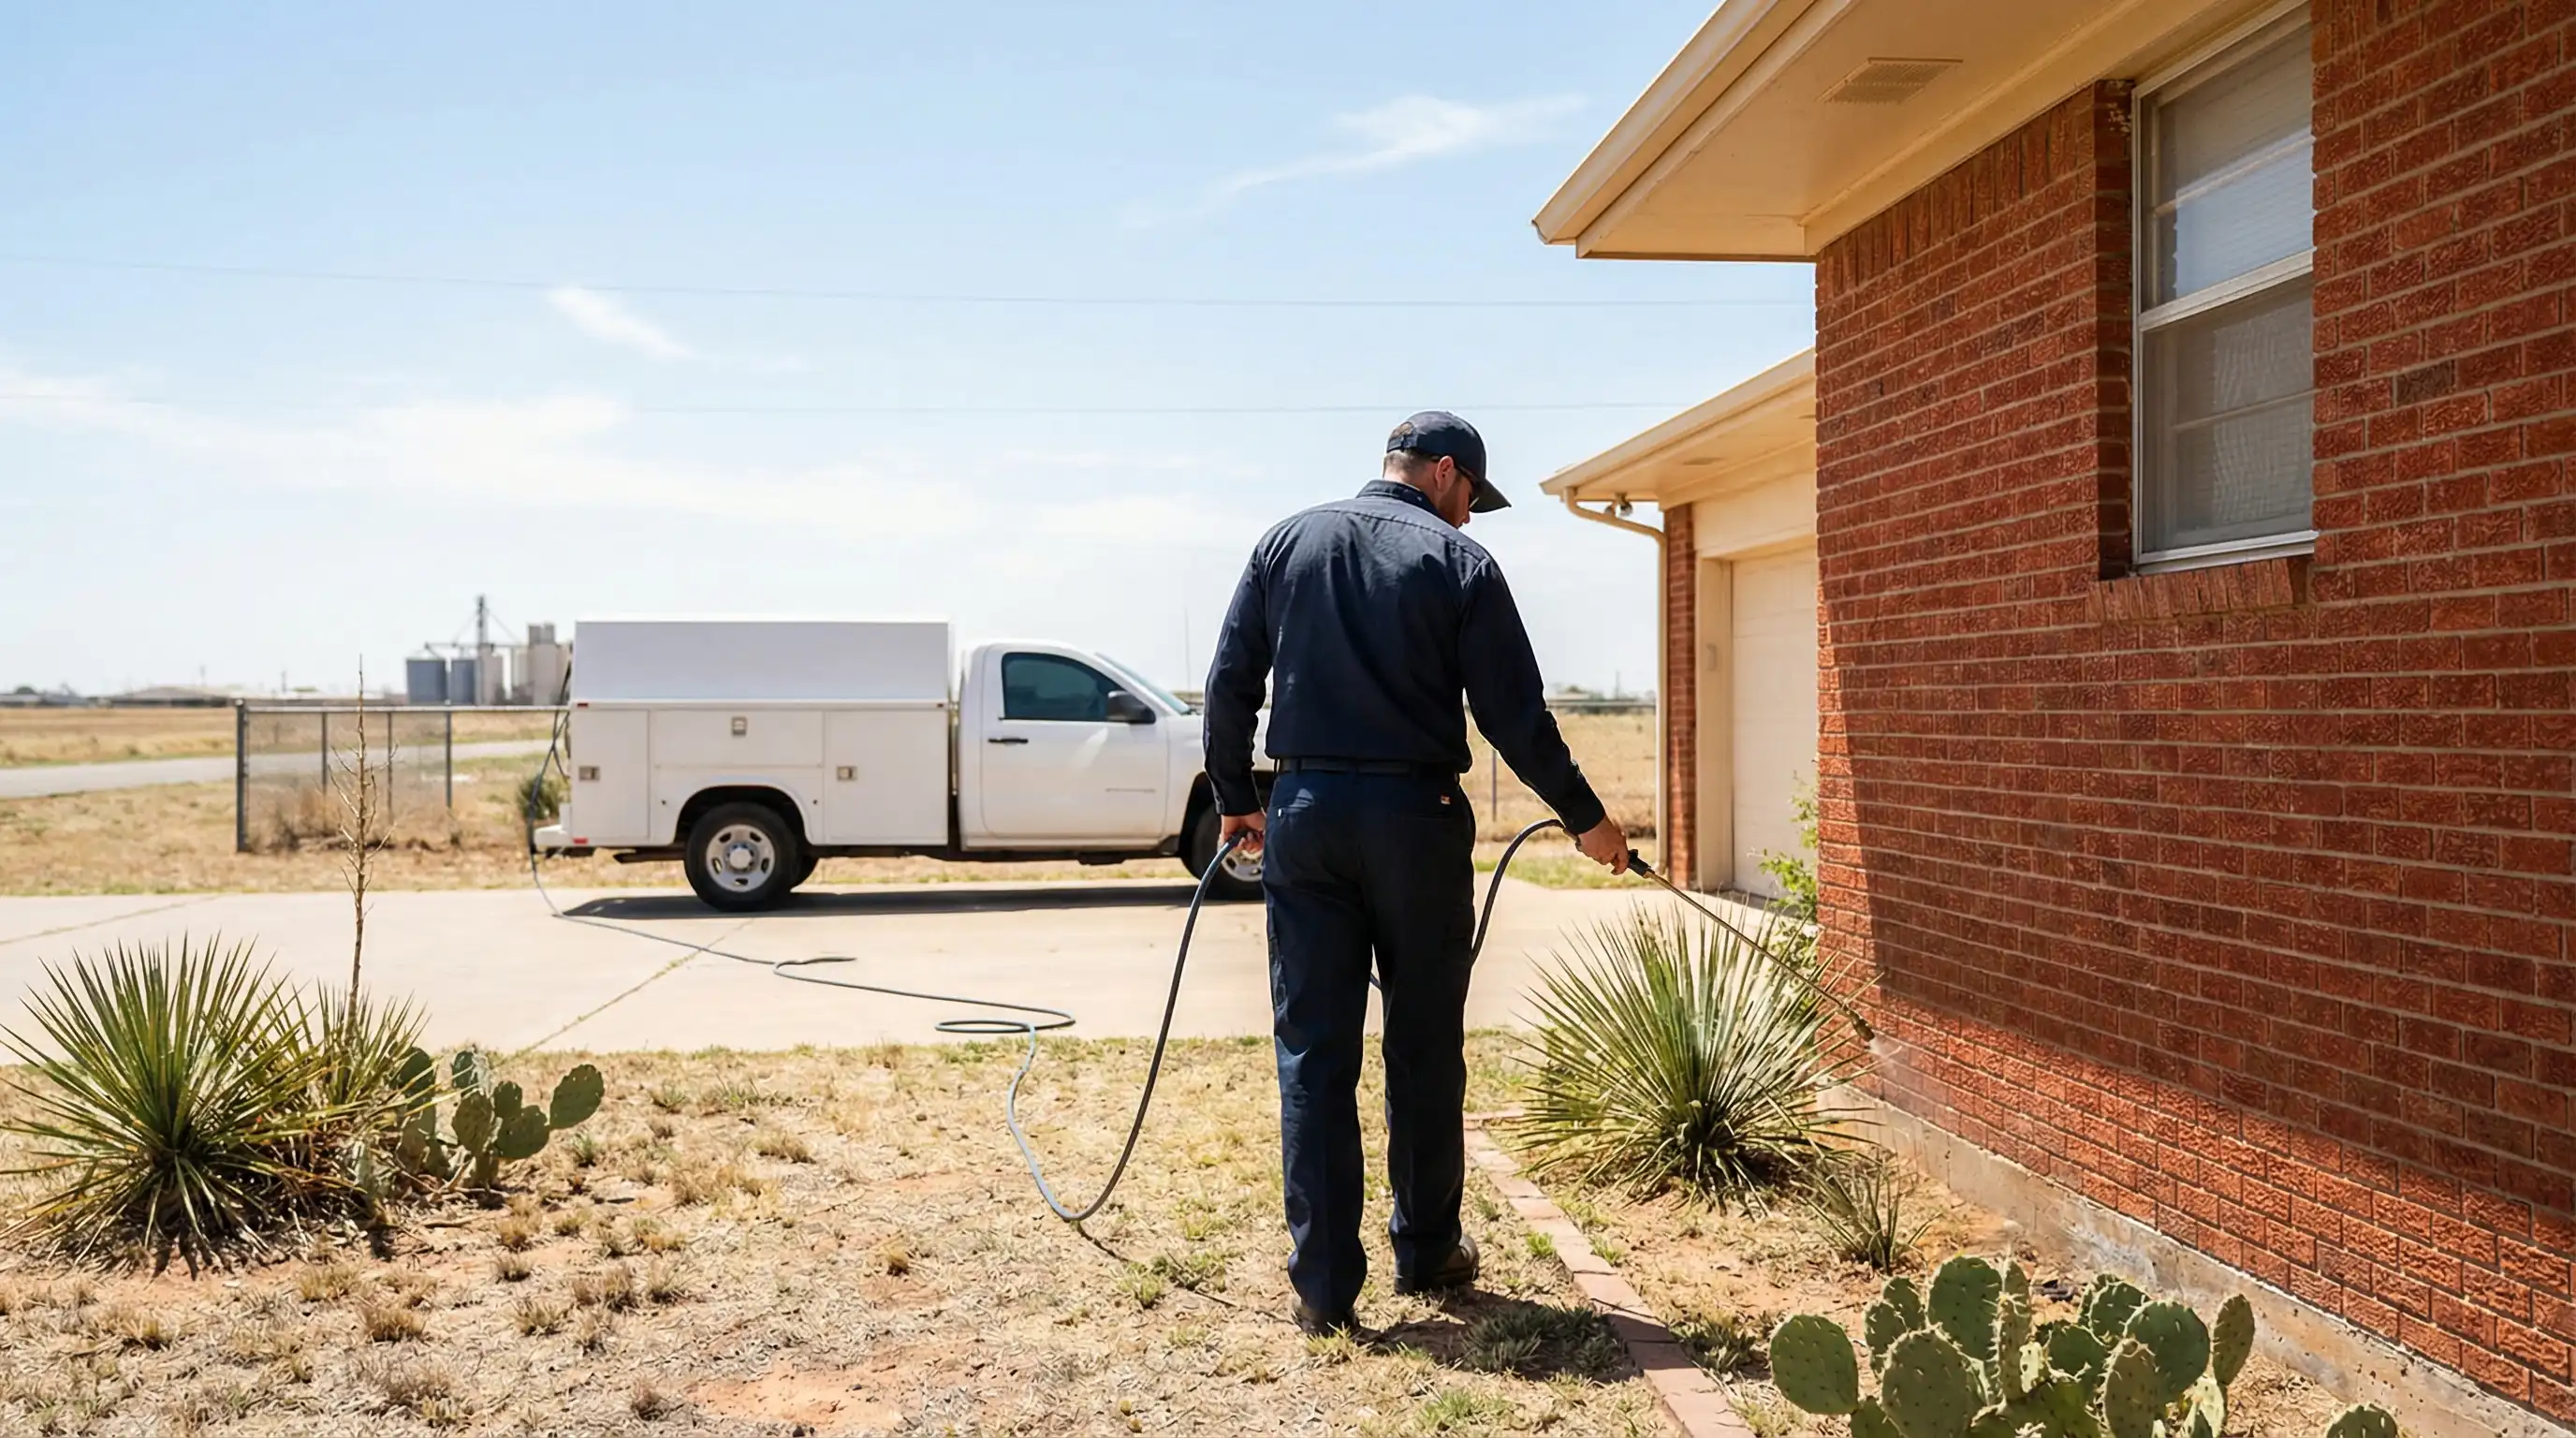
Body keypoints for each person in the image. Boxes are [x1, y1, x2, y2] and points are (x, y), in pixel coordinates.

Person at [1202, 410, 1628, 1335]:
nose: (1470, 516)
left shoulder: (1286, 542)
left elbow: (1231, 677)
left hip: (1304, 817)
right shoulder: (1459, 563)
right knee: (1424, 1043)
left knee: (1313, 1051)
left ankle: (1322, 1287)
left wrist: (1239, 797)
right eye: (1472, 497)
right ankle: (1427, 1250)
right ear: (1444, 472)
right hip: (1416, 821)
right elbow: (1514, 717)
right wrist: (1586, 819)